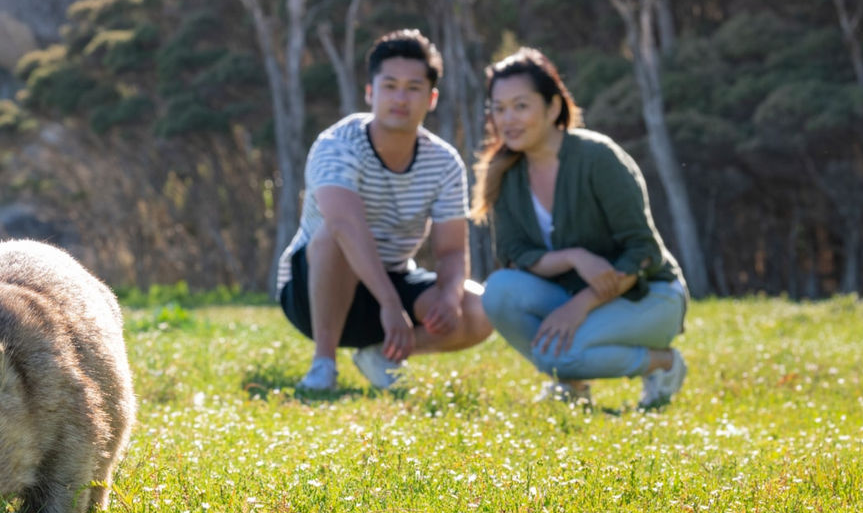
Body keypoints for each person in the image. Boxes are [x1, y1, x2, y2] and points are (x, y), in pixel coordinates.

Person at [472, 47, 688, 409]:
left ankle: (664, 363)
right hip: (573, 294)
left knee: (558, 356)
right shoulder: (505, 174)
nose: (507, 119)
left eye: (521, 106)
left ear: (553, 107)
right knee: (498, 291)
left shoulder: (597, 157)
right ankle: (572, 385)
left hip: (649, 296)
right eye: (499, 108)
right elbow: (516, 255)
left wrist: (582, 305)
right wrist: (574, 258)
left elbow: (643, 253)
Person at [277, 29, 491, 392]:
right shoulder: (337, 144)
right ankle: (323, 364)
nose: (400, 98)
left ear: (432, 97)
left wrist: (450, 295)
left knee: (481, 308)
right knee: (333, 233)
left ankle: (382, 354)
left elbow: (452, 251)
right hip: (313, 289)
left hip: (391, 277)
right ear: (370, 92)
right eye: (390, 86)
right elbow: (344, 224)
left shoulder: (444, 162)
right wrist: (391, 305)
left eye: (413, 88)